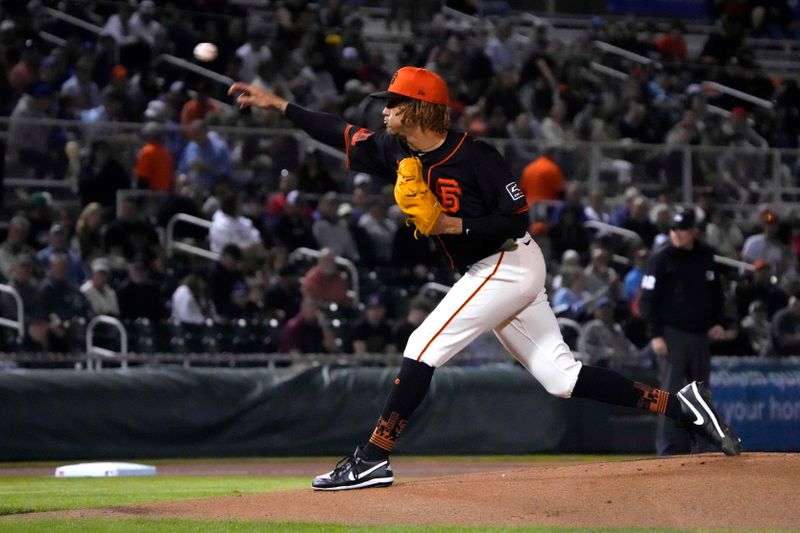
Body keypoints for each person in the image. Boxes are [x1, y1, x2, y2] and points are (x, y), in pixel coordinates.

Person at [229, 65, 741, 491]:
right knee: (561, 378)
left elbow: (516, 219)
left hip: (508, 258)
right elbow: (335, 129)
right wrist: (276, 104)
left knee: (423, 342)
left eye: (393, 101)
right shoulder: (393, 149)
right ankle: (681, 404)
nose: (383, 109)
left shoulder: (476, 157)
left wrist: (454, 224)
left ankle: (371, 455)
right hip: (490, 269)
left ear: (419, 109)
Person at [638, 210, 730, 455]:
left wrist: (719, 321)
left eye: (683, 230)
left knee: (700, 394)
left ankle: (700, 447)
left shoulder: (706, 256)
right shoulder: (661, 259)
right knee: (669, 393)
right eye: (674, 229)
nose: (677, 234)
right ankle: (667, 448)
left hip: (700, 335)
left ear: (694, 232)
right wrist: (655, 334)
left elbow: (717, 295)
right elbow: (647, 301)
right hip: (672, 335)